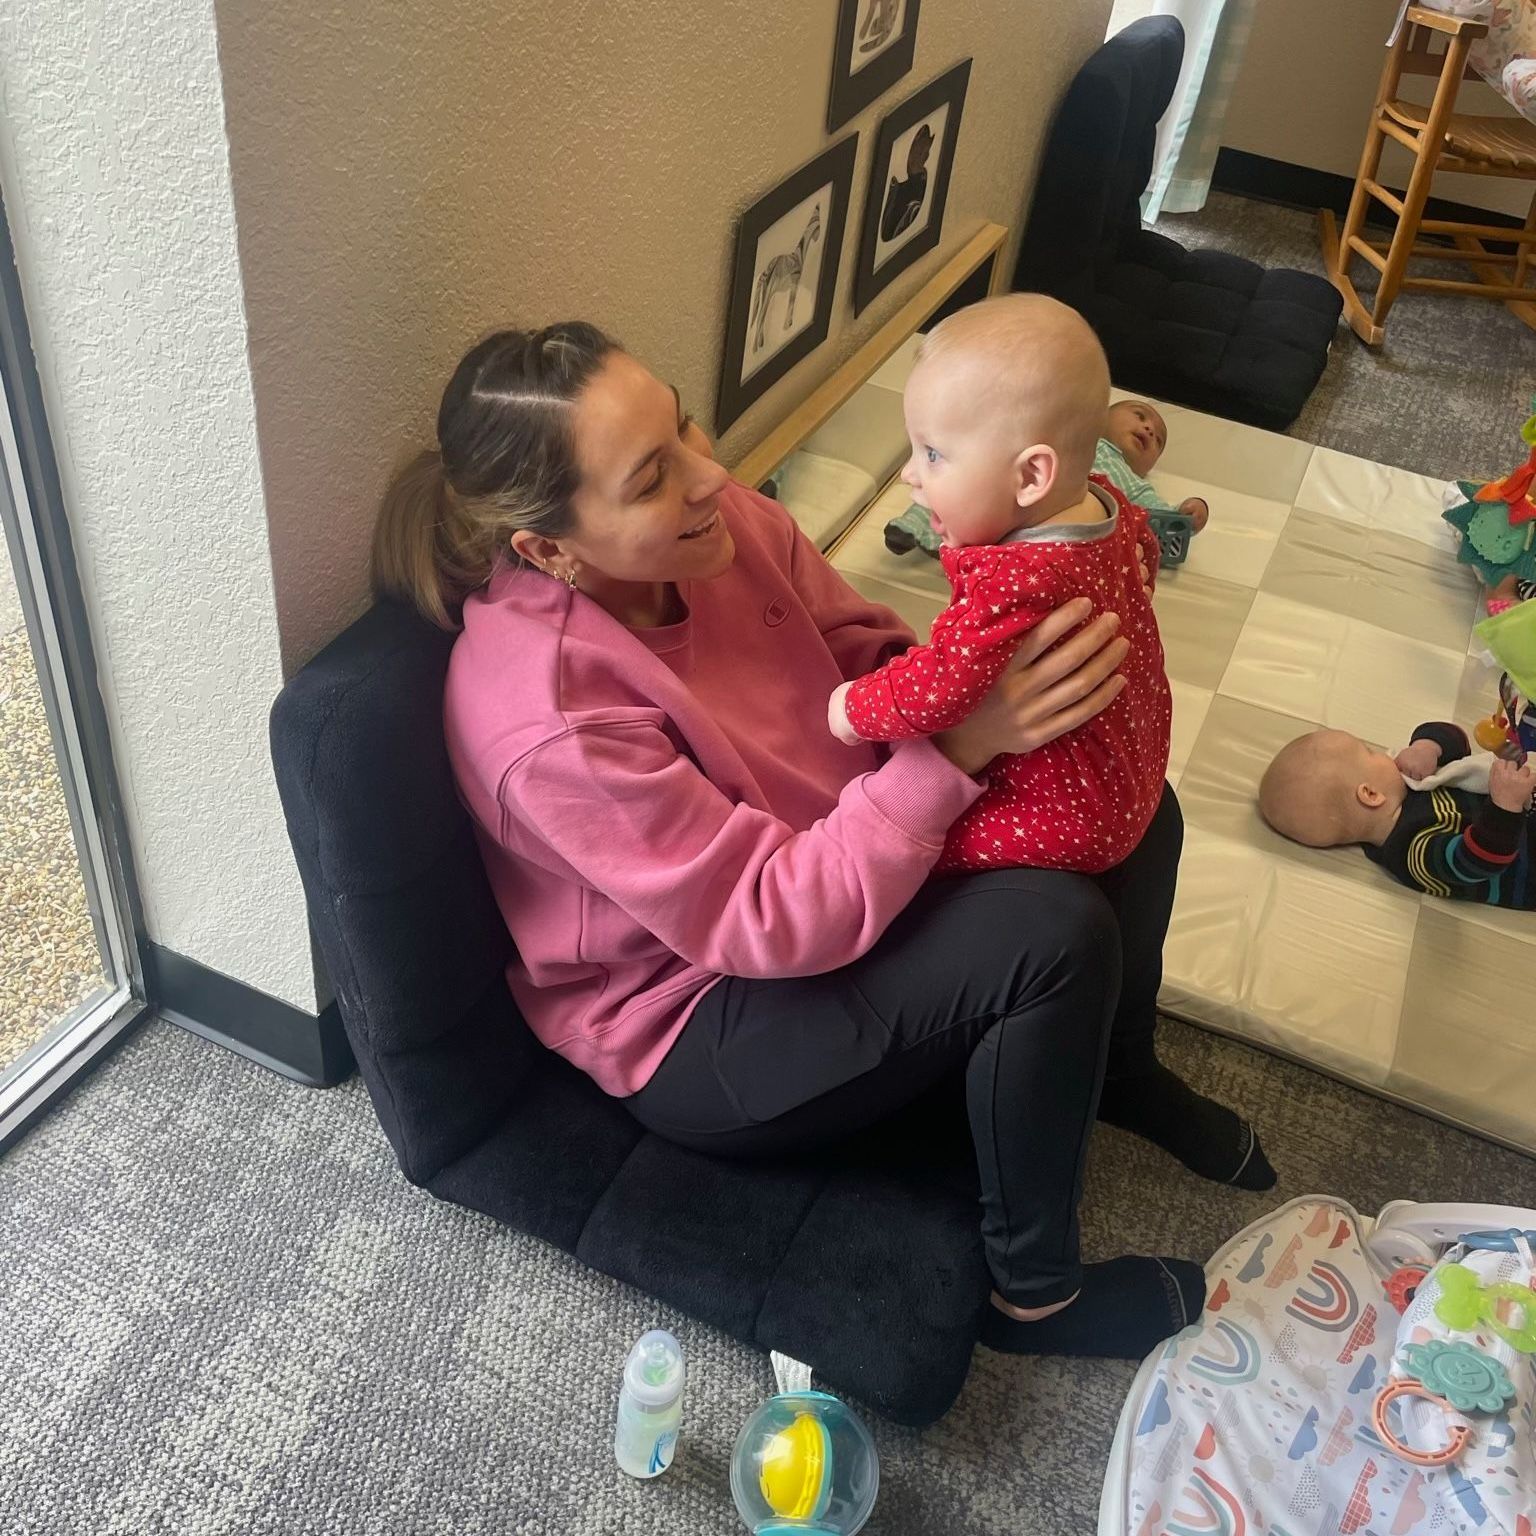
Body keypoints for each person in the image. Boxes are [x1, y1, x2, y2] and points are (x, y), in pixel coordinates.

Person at [371, 321, 1276, 1365]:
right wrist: (968, 744)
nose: (714, 475)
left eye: (685, 424)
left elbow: (854, 643)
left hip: (850, 846)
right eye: (655, 474)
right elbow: (765, 917)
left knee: (1133, 812)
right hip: (703, 1011)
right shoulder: (548, 717)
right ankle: (1037, 1298)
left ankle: (1118, 1069)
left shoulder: (724, 528)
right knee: (1052, 934)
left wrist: (980, 685)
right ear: (548, 550)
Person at [830, 295, 1170, 877]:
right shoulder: (1103, 505)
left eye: (934, 454)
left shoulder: (1019, 579)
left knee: (918, 858)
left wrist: (853, 707)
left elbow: (943, 684)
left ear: (1031, 476)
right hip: (1137, 775)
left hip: (1069, 819)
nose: (910, 473)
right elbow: (1144, 545)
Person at [885, 394, 1210, 565]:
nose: (1150, 429)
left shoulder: (1129, 478)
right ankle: (912, 528)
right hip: (1023, 485)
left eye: (1159, 440)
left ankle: (971, 550)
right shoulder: (1070, 433)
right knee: (963, 489)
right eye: (1139, 415)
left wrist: (1186, 514)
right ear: (1099, 417)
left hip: (1055, 519)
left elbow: (1155, 514)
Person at [1259, 723, 1535, 905]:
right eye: (1370, 753)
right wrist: (1505, 805)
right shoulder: (1411, 850)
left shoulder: (1409, 785)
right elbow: (1476, 863)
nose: (1385, 754)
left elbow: (1458, 743)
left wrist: (1427, 747)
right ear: (1369, 794)